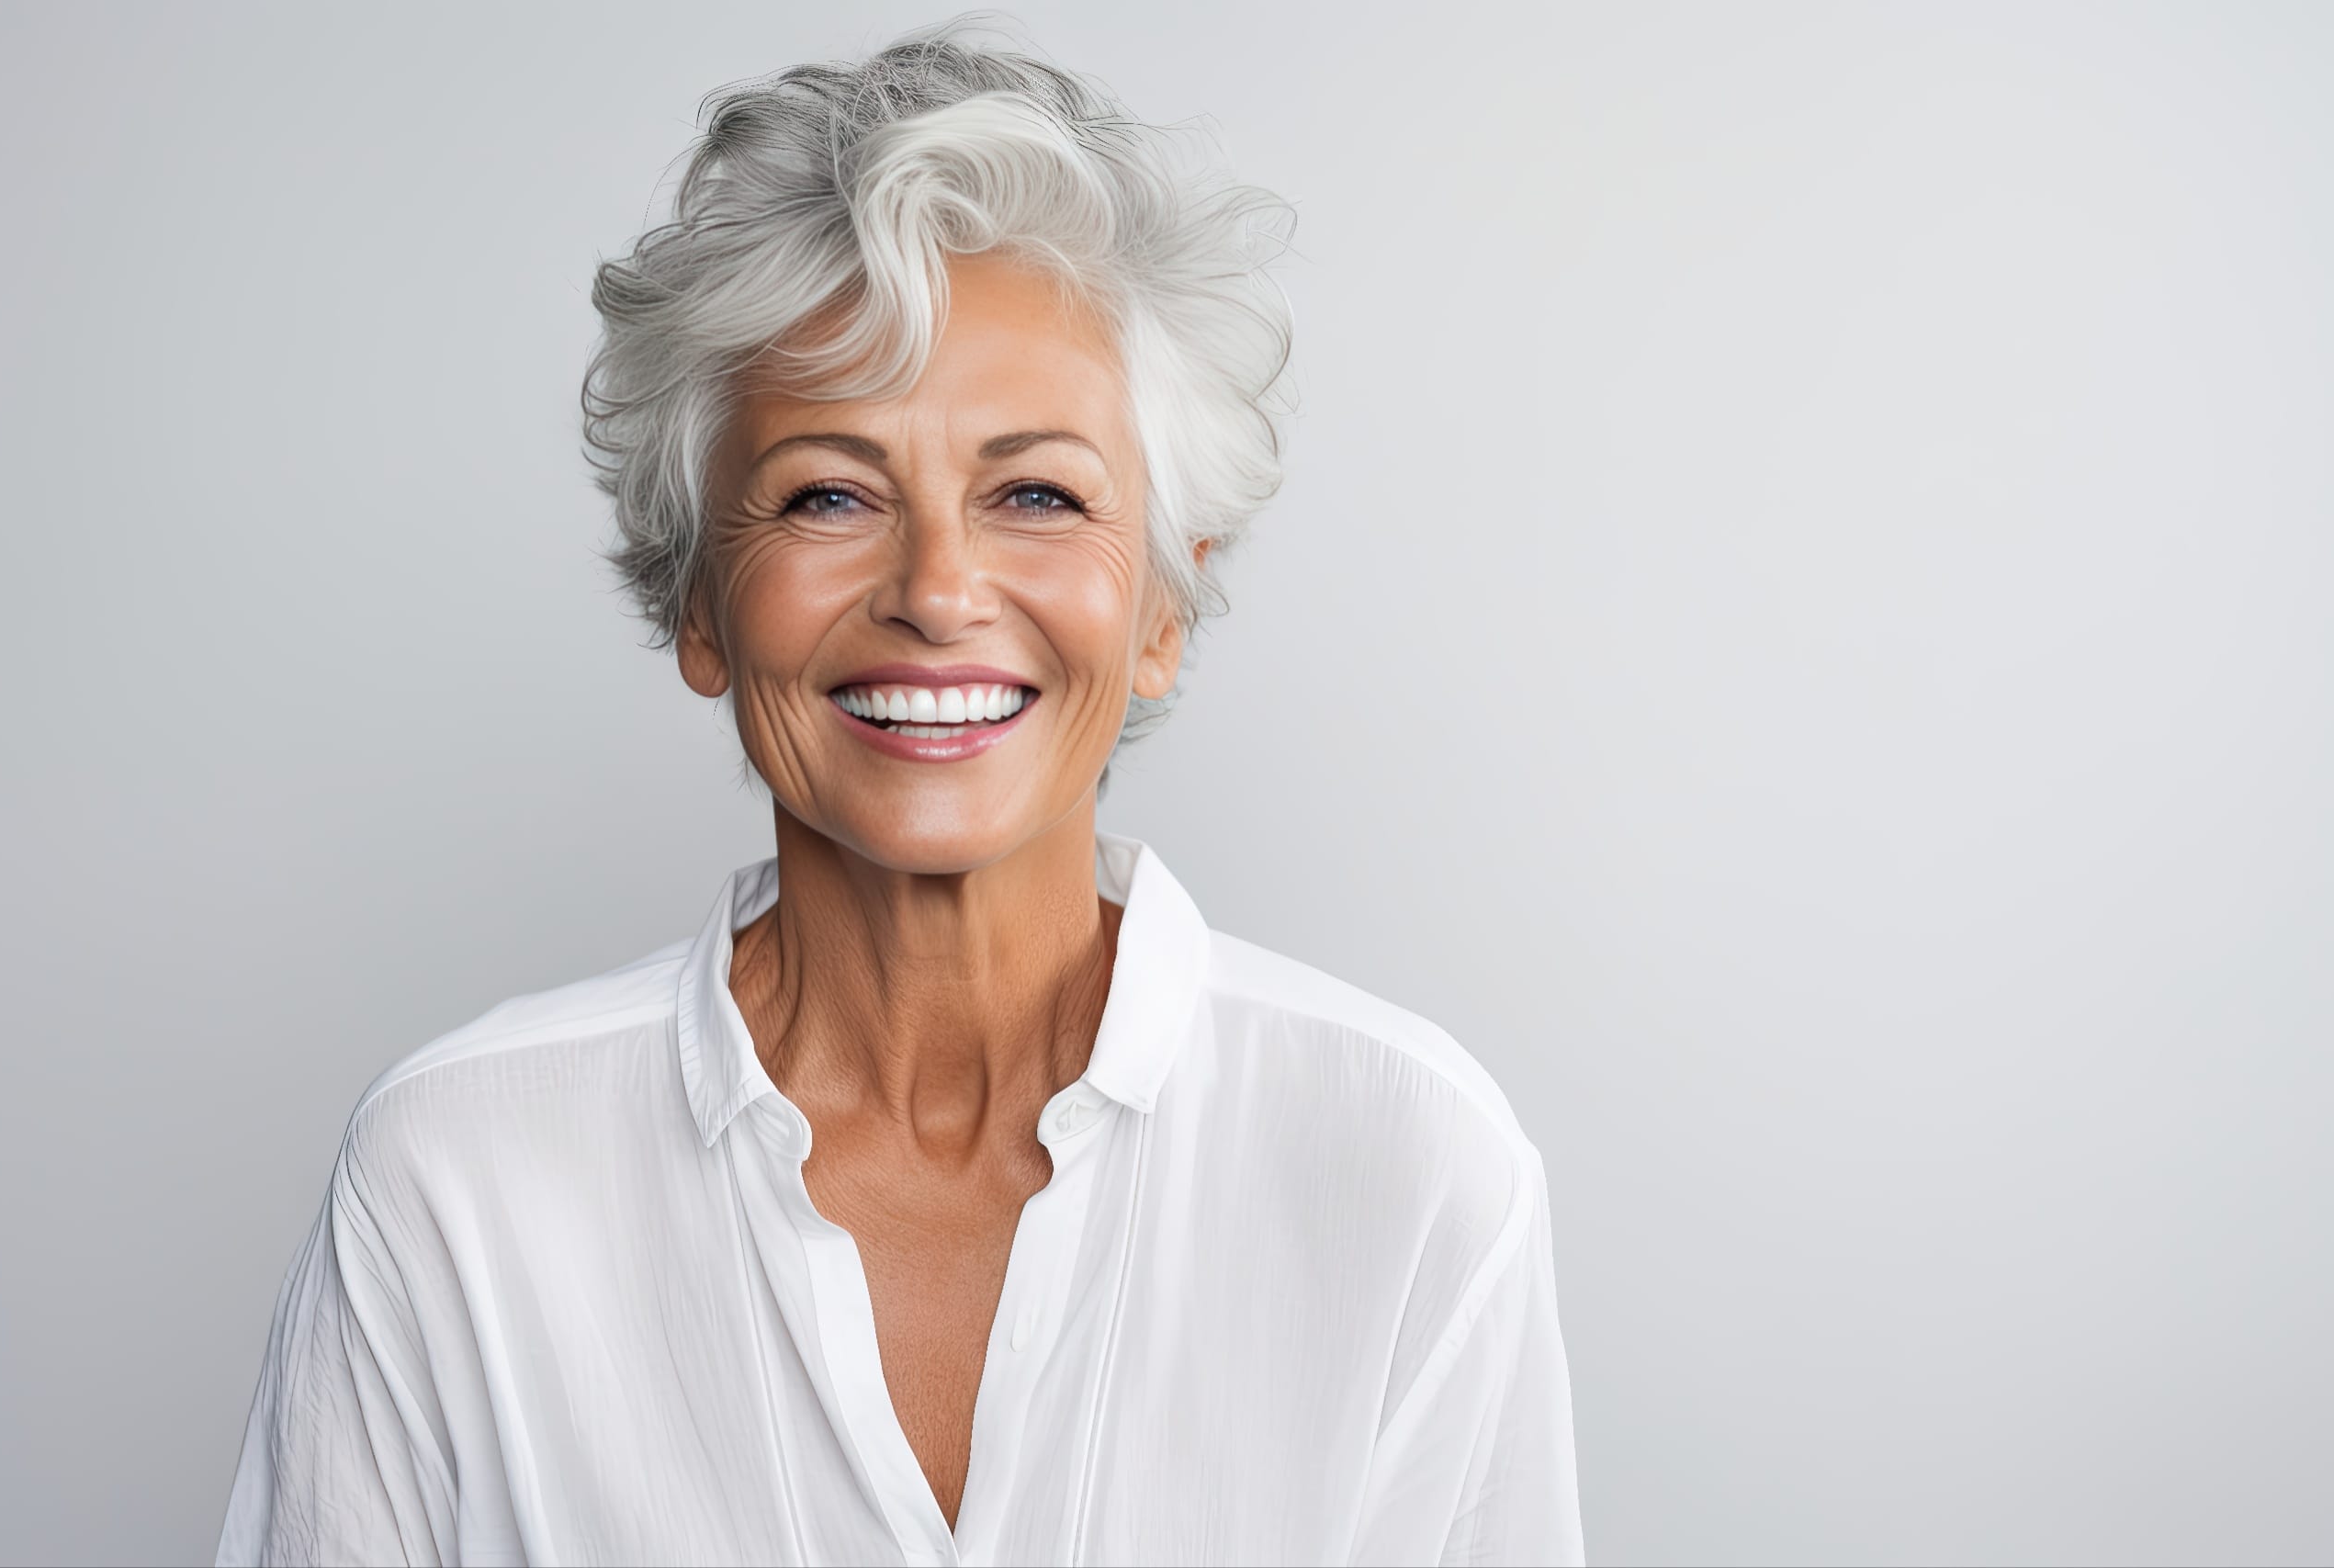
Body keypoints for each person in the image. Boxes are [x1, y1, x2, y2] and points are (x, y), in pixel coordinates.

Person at [214, 19, 1583, 1566]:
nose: (939, 590)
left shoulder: (1407, 1166)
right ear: (700, 608)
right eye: (828, 494)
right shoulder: (453, 1179)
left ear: (1162, 614)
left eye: (1038, 494)